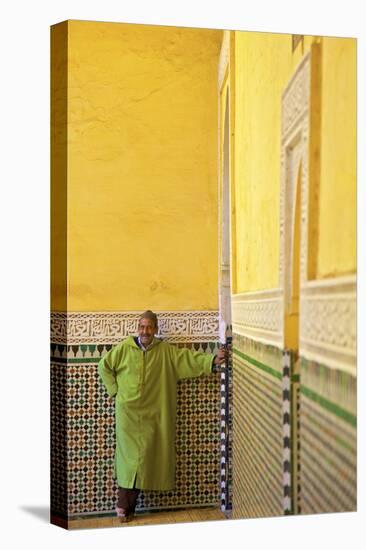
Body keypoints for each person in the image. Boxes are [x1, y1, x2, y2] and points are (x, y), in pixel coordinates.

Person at [98, 309, 226, 522]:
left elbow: (188, 359)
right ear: (137, 328)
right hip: (127, 415)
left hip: (154, 415)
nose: (144, 331)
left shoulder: (165, 351)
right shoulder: (124, 348)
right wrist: (115, 391)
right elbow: (104, 367)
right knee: (128, 459)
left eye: (149, 327)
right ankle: (123, 505)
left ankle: (128, 507)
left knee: (146, 457)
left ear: (156, 329)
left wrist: (213, 360)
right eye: (141, 326)